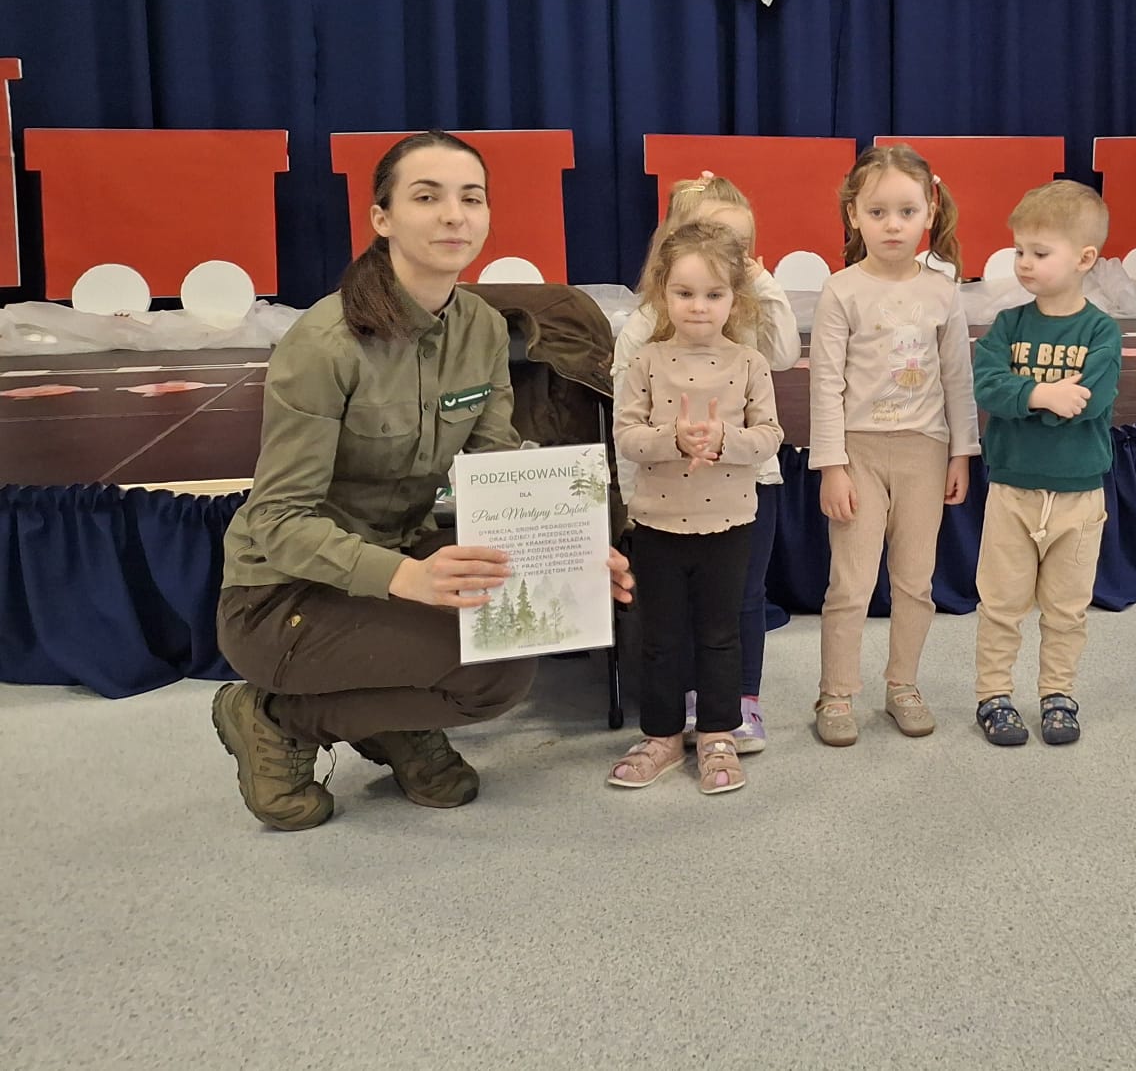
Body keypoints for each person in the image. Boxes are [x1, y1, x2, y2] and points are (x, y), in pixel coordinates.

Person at [211, 131, 634, 832]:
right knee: (485, 671)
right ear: (382, 217)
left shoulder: (484, 330)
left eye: (472, 198)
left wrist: (572, 548)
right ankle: (276, 715)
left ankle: (392, 719)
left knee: (509, 650)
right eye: (427, 196)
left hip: (398, 558)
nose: (454, 215)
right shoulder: (324, 345)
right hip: (281, 596)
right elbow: (279, 523)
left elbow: (502, 472)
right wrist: (409, 580)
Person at [611, 171, 799, 753]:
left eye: (738, 249)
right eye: (713, 239)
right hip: (666, 498)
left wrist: (760, 281)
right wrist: (632, 498)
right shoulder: (646, 333)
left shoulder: (743, 320)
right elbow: (627, 426)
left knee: (741, 599)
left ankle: (741, 702)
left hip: (746, 486)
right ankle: (688, 703)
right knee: (674, 612)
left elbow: (785, 355)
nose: (725, 257)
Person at [810, 144, 978, 747]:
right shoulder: (841, 290)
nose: (892, 225)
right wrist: (832, 465)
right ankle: (836, 692)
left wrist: (961, 453)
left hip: (924, 452)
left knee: (914, 581)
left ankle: (903, 684)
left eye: (906, 212)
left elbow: (957, 378)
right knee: (851, 583)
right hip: (858, 451)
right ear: (853, 214)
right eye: (877, 212)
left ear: (928, 212)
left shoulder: (944, 292)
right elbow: (825, 384)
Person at [969, 181, 1123, 748]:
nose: (1025, 263)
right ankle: (993, 694)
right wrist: (1042, 396)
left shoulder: (1102, 330)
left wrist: (1031, 402)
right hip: (1012, 490)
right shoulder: (1009, 325)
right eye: (1019, 251)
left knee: (1066, 609)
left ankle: (1058, 694)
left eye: (1040, 252)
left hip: (1079, 497)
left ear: (1084, 258)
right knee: (1000, 604)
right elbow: (986, 385)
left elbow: (1091, 402)